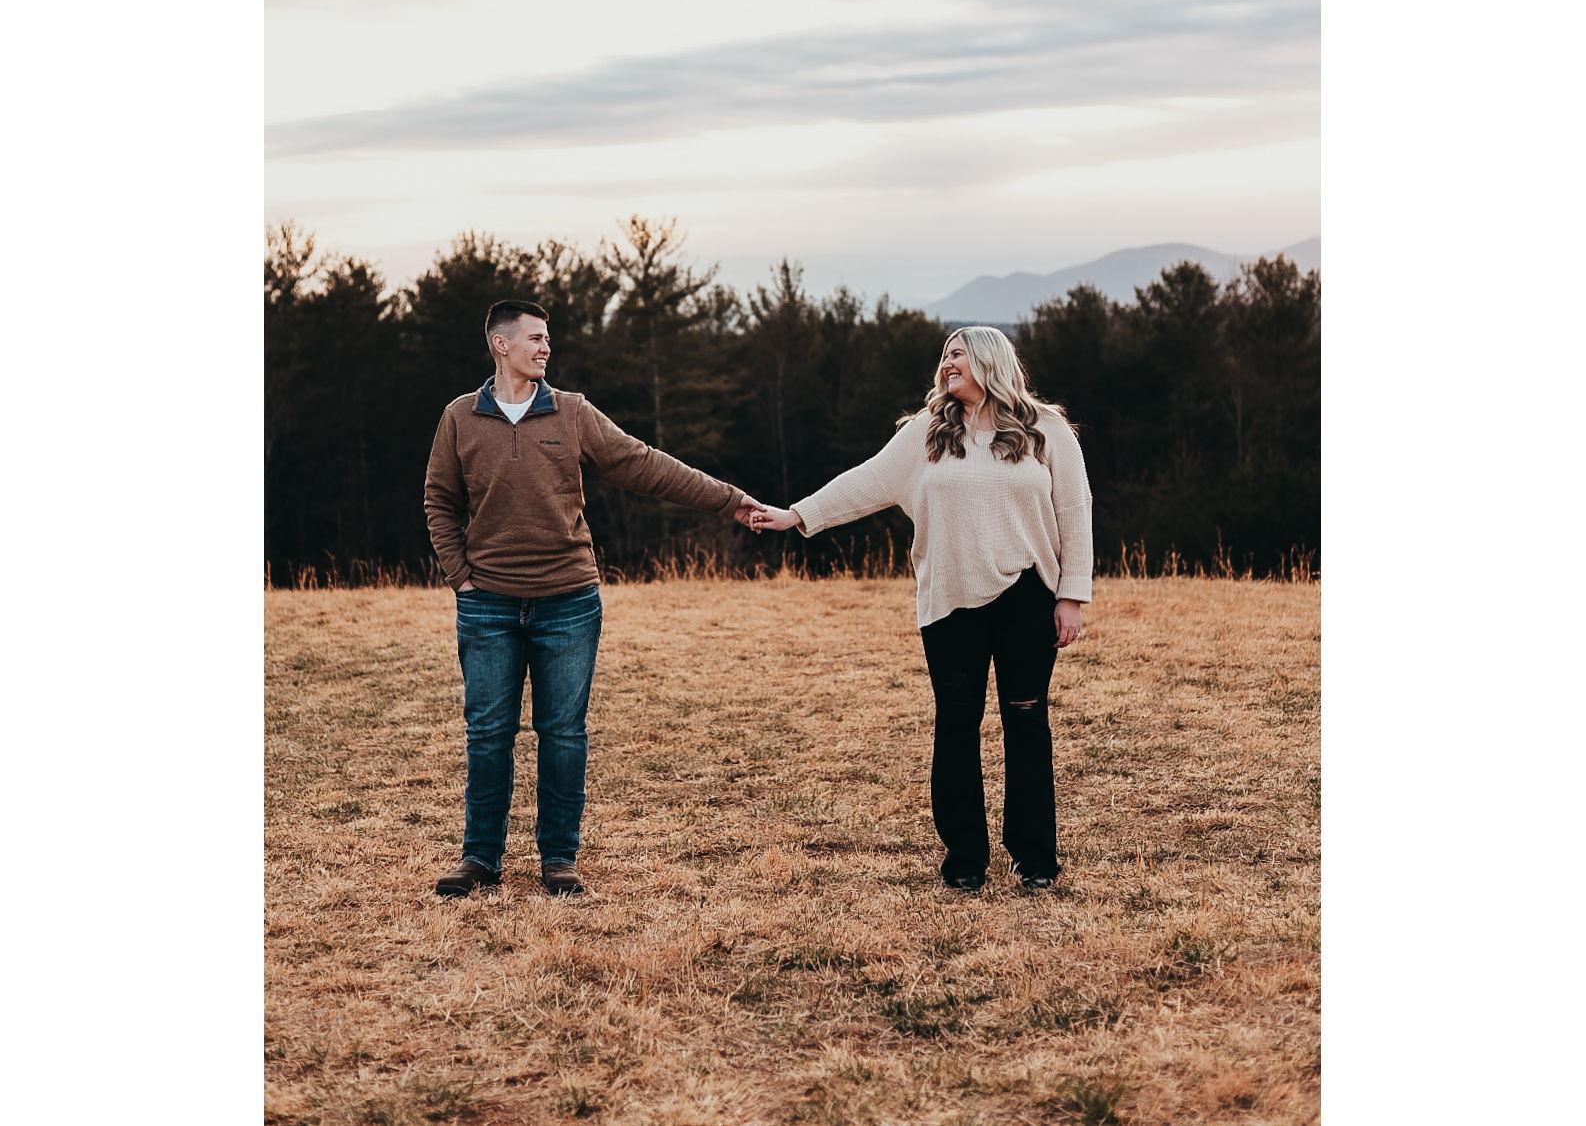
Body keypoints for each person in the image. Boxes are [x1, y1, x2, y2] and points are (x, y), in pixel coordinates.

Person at [424, 299, 765, 898]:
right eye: (534, 338)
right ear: (501, 344)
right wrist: (462, 578)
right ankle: (480, 859)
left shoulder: (573, 412)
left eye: (547, 338)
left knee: (562, 733)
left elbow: (644, 464)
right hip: (489, 604)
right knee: (488, 734)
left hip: (568, 601)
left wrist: (727, 498)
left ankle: (559, 859)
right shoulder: (460, 417)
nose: (545, 347)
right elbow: (439, 501)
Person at [751, 325, 1092, 891]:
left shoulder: (1046, 429)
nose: (947, 363)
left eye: (958, 354)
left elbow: (1075, 510)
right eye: (944, 355)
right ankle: (965, 860)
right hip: (949, 599)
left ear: (989, 361)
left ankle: (1034, 858)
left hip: (1028, 596)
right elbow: (865, 482)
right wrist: (798, 515)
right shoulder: (926, 432)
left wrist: (1072, 596)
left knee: (1026, 720)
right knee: (956, 724)